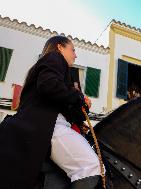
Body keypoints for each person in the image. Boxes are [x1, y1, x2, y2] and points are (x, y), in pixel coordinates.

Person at [0, 36, 103, 189]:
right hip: (49, 125)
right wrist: (78, 96)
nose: (75, 55)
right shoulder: (55, 57)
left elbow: (65, 105)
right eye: (73, 50)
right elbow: (49, 86)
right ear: (60, 47)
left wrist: (82, 106)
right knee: (92, 166)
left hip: (50, 123)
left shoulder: (53, 67)